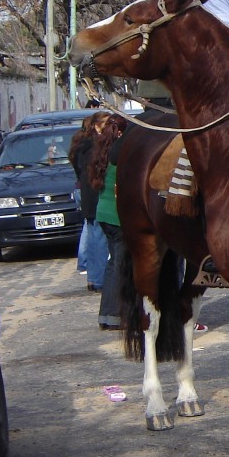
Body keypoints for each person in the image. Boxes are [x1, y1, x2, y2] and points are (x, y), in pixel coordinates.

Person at [90, 114, 128, 330]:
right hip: (117, 215)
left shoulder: (100, 152)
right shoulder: (120, 154)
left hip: (103, 213)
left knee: (112, 264)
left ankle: (105, 314)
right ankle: (115, 314)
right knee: (121, 266)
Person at [71, 111, 110, 292]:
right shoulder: (96, 146)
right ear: (96, 126)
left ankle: (93, 278)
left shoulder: (81, 145)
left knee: (94, 236)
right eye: (106, 123)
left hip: (87, 194)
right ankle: (99, 278)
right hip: (95, 194)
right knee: (99, 238)